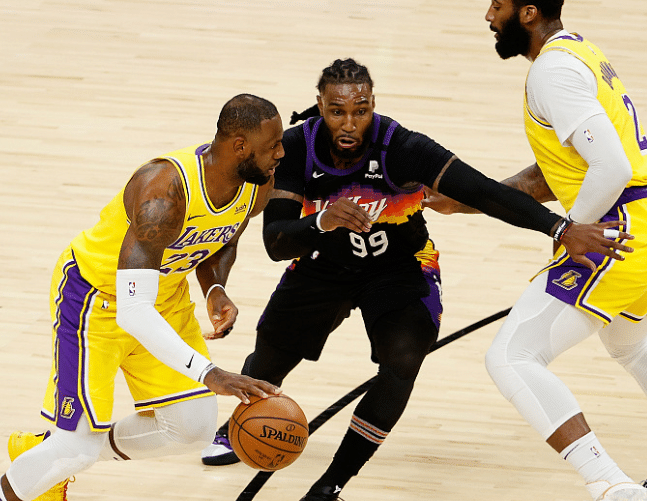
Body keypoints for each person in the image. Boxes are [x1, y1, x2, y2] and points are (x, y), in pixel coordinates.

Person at [199, 59, 632, 501]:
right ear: (320, 106)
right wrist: (324, 221)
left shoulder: (401, 146)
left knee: (403, 358)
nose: (349, 123)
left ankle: (331, 484)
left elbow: (484, 191)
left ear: (373, 105)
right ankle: (240, 427)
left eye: (360, 110)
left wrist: (560, 229)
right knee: (271, 354)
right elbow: (276, 242)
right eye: (336, 111)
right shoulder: (295, 147)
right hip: (323, 264)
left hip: (400, 268)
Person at [0, 94, 285, 501]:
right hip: (95, 300)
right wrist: (210, 373)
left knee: (192, 428)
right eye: (273, 144)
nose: (281, 152)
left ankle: (51, 455)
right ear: (240, 146)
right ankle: (56, 458)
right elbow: (134, 312)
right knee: (74, 448)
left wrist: (214, 287)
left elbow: (225, 236)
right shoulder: (164, 192)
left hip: (164, 297)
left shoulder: (255, 185)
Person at [430, 2, 647, 500]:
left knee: (512, 357)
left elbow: (611, 168)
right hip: (639, 225)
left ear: (528, 13)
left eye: (498, 5)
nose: (489, 15)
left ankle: (613, 487)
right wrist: (468, 200)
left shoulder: (553, 72)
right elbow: (550, 176)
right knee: (629, 343)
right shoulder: (579, 53)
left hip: (618, 231)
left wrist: (569, 230)